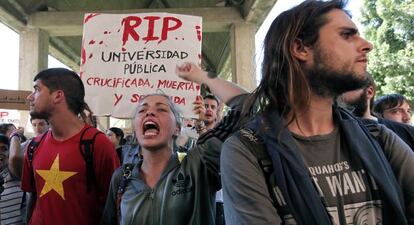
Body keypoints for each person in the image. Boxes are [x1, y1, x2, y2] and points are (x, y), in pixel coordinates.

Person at [220, 1, 414, 225]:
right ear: (300, 48)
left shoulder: (379, 138)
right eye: (346, 35)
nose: (367, 44)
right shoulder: (247, 152)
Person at [102, 61, 248, 225]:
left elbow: (248, 106)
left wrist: (202, 77)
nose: (150, 112)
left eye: (161, 109)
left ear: (177, 129)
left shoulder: (199, 165)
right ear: (135, 128)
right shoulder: (121, 178)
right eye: (142, 110)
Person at [20, 68, 120, 225]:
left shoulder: (98, 144)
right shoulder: (33, 146)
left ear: (58, 96)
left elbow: (114, 206)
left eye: (37, 89)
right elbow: (32, 197)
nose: (30, 97)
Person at [339, 74, 414, 149]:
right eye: (396, 111)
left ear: (369, 92)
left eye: (408, 111)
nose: (407, 117)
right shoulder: (339, 134)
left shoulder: (408, 132)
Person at [0, 134, 25, 225]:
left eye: (4, 149)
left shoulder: (14, 172)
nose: (0, 152)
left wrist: (14, 136)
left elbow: (16, 158)